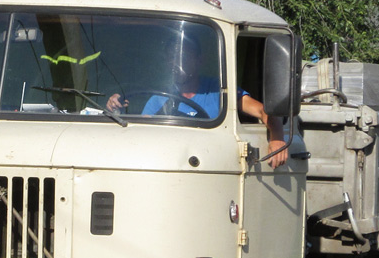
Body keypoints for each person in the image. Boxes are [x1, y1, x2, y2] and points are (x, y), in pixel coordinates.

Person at [106, 38, 289, 168]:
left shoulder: (219, 90)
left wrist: (278, 139)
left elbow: (263, 111)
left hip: (215, 165)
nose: (177, 62)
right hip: (172, 167)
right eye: (172, 57)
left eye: (184, 55)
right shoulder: (159, 98)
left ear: (198, 60)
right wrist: (118, 109)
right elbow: (142, 134)